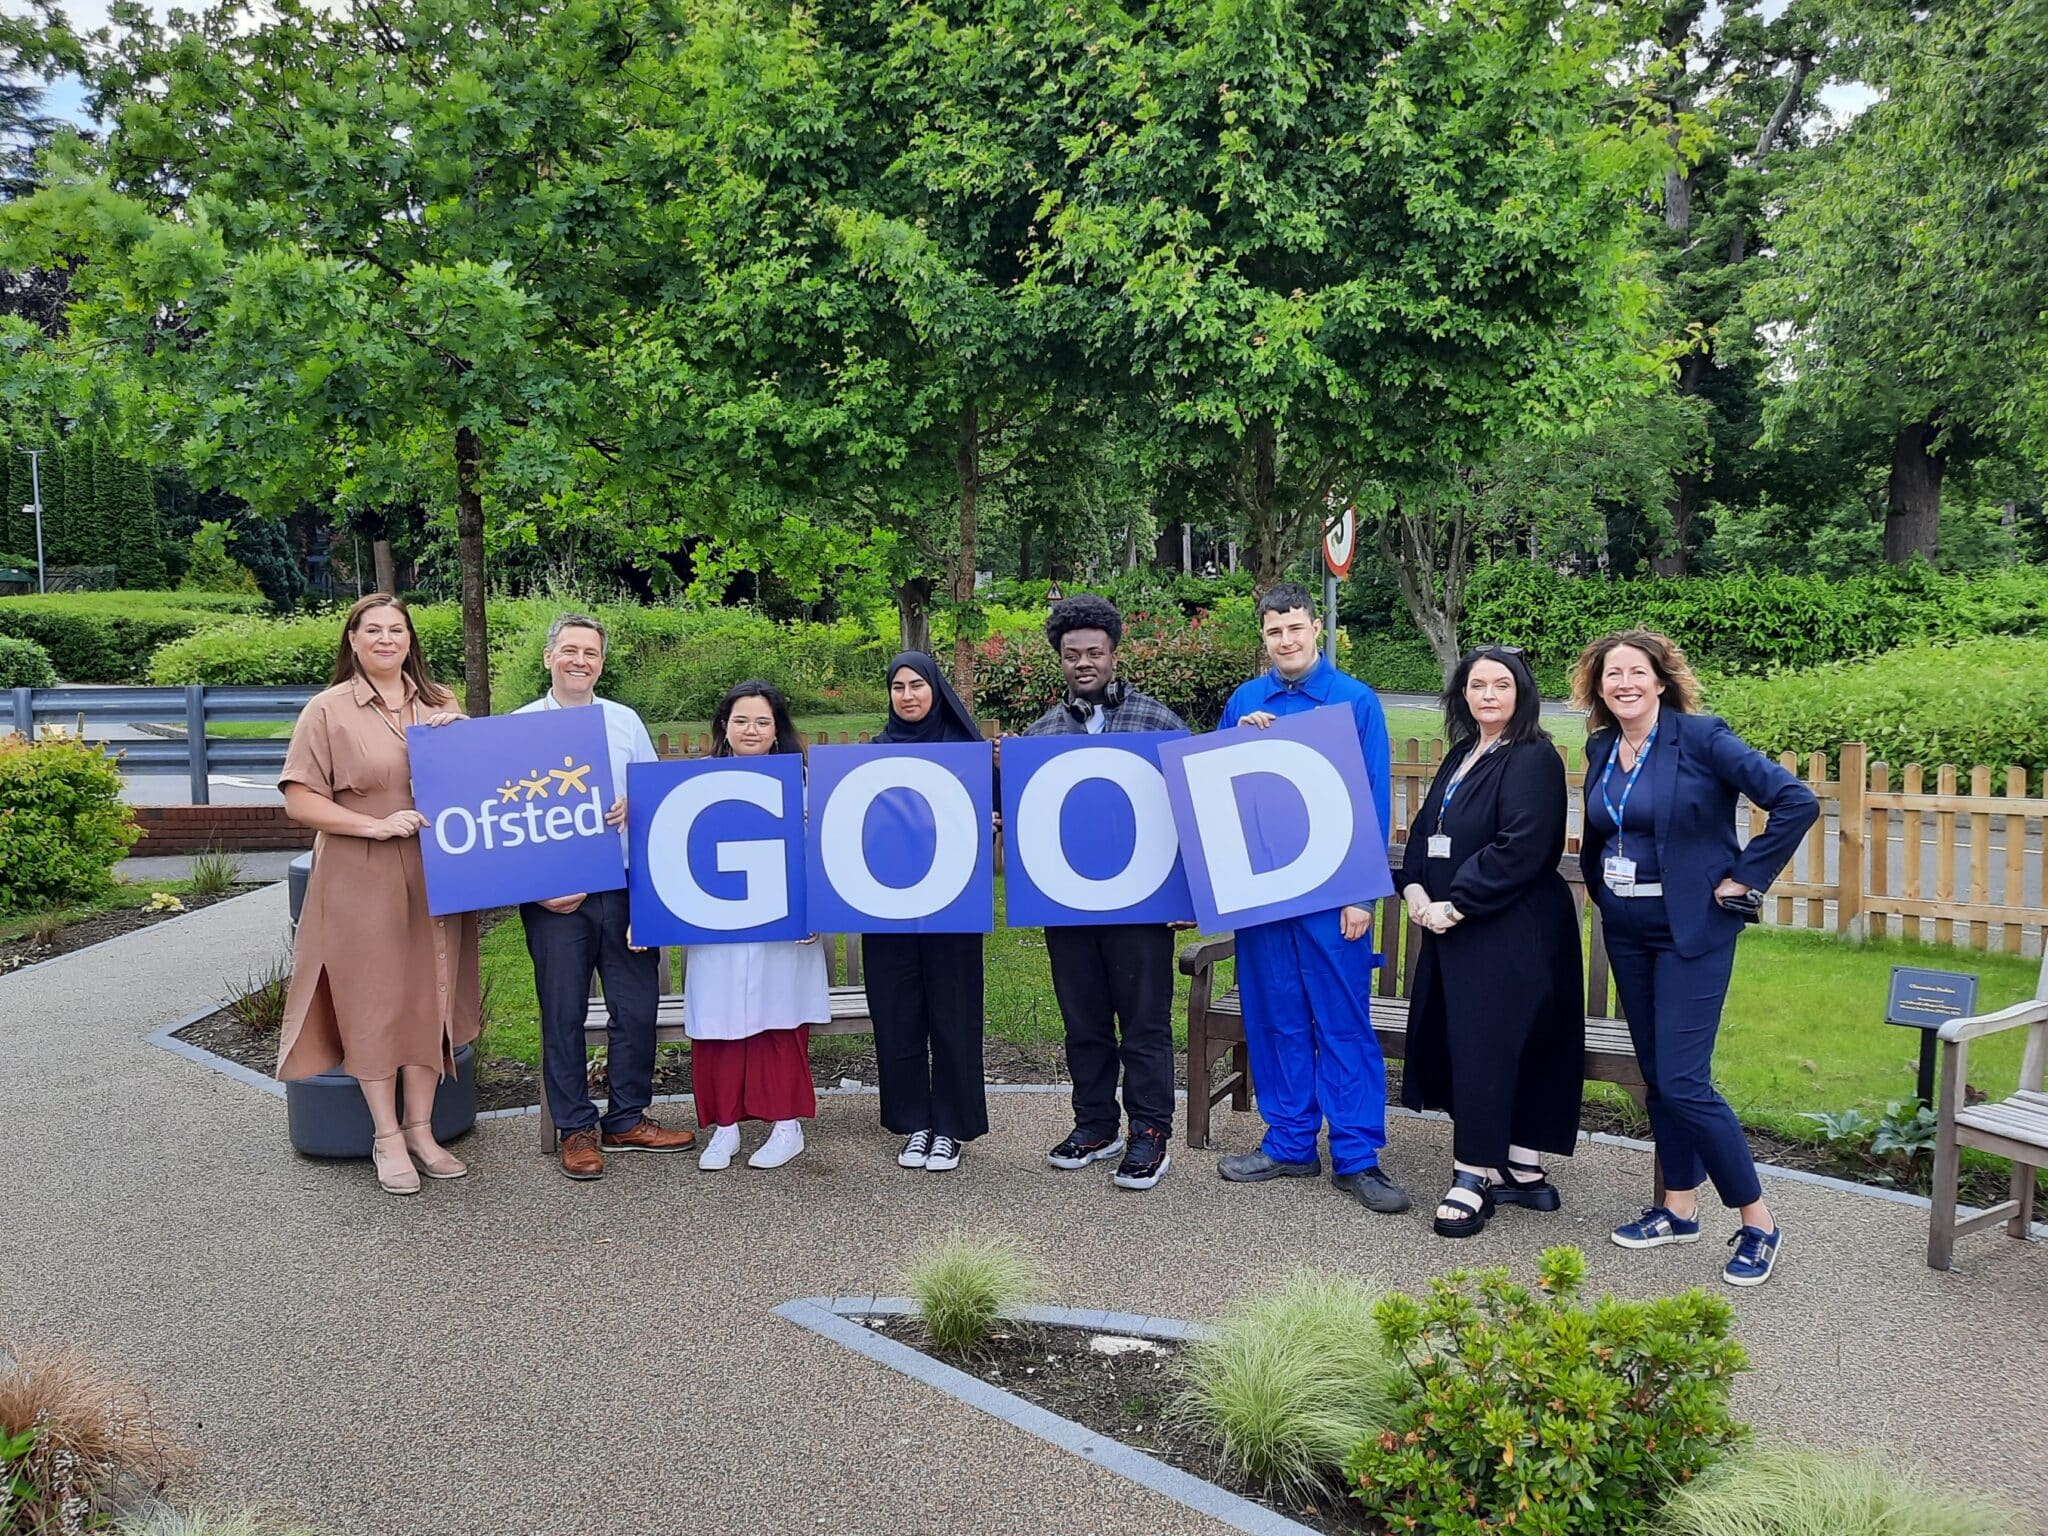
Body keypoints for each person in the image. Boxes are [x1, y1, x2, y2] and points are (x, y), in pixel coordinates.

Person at [1574, 628, 1818, 1286]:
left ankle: (1759, 1222)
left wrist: (1747, 876)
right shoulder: (1602, 747)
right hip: (1627, 928)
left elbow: (1797, 801)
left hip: (1692, 931)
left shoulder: (1703, 738)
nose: (1622, 683)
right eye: (1610, 675)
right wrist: (1600, 888)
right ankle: (1677, 1207)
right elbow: (1603, 828)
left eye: (1634, 672)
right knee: (1658, 1075)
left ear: (1660, 679)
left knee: (1685, 1080)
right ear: (1598, 688)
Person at [1215, 583, 1409, 1214]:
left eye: (1295, 628)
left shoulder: (1355, 701)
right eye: (1274, 632)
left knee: (1343, 1022)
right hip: (1265, 893)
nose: (1286, 641)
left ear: (1317, 628)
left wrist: (1361, 895)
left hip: (1333, 898)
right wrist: (1237, 741)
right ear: (1263, 637)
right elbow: (1219, 796)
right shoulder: (1245, 700)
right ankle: (1290, 1142)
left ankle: (1357, 1155)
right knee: (1276, 1019)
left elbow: (1374, 802)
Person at [277, 594, 478, 1197]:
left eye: (397, 629)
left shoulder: (439, 703)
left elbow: (480, 782)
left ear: (411, 639)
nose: (387, 639)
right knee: (373, 998)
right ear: (354, 640)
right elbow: (298, 799)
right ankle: (385, 1135)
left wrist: (464, 735)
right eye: (374, 630)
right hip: (360, 867)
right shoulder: (328, 710)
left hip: (436, 869)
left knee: (428, 992)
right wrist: (373, 824)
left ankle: (421, 1129)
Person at [1398, 647, 1583, 1237]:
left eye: (1501, 685)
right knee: (1481, 1042)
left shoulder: (1534, 757)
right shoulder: (1462, 753)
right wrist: (1416, 892)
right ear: (1462, 694)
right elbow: (1427, 829)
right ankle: (1520, 1168)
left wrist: (1459, 900)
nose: (1488, 695)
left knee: (1489, 1046)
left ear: (1522, 692)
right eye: (1476, 685)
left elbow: (1524, 846)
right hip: (1454, 926)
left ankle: (1472, 1174)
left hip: (1511, 929)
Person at [514, 613, 694, 1181]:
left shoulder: (624, 721)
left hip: (621, 887)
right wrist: (538, 889)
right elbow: (504, 826)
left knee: (635, 1008)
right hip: (554, 897)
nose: (580, 661)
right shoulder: (516, 728)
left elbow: (655, 800)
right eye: (569, 650)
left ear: (601, 663)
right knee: (563, 1012)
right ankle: (575, 1130)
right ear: (548, 658)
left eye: (590, 653)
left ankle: (627, 1118)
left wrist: (631, 807)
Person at [1022, 594, 1189, 1191]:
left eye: (1095, 652)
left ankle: (1150, 1131)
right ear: (1060, 661)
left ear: (1115, 655)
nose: (1084, 662)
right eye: (1073, 654)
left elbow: (1191, 811)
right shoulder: (1040, 733)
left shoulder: (1158, 721)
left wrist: (1186, 898)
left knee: (1144, 1023)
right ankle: (1095, 1124)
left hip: (1141, 907)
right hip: (1067, 906)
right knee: (1083, 1021)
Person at [683, 680, 828, 1171]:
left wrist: (817, 911)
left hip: (783, 928)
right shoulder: (694, 783)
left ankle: (786, 1126)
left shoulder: (803, 782)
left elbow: (824, 853)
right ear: (724, 726)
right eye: (741, 720)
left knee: (779, 1019)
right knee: (719, 1023)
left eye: (762, 721)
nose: (751, 729)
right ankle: (724, 1129)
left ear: (776, 730)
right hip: (717, 927)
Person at [865, 651, 989, 1173]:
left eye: (918, 684)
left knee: (954, 1014)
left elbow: (992, 816)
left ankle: (952, 1128)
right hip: (887, 907)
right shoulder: (872, 753)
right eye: (899, 686)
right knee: (896, 1015)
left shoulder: (966, 751)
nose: (908, 695)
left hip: (952, 907)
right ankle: (914, 1122)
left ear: (935, 689)